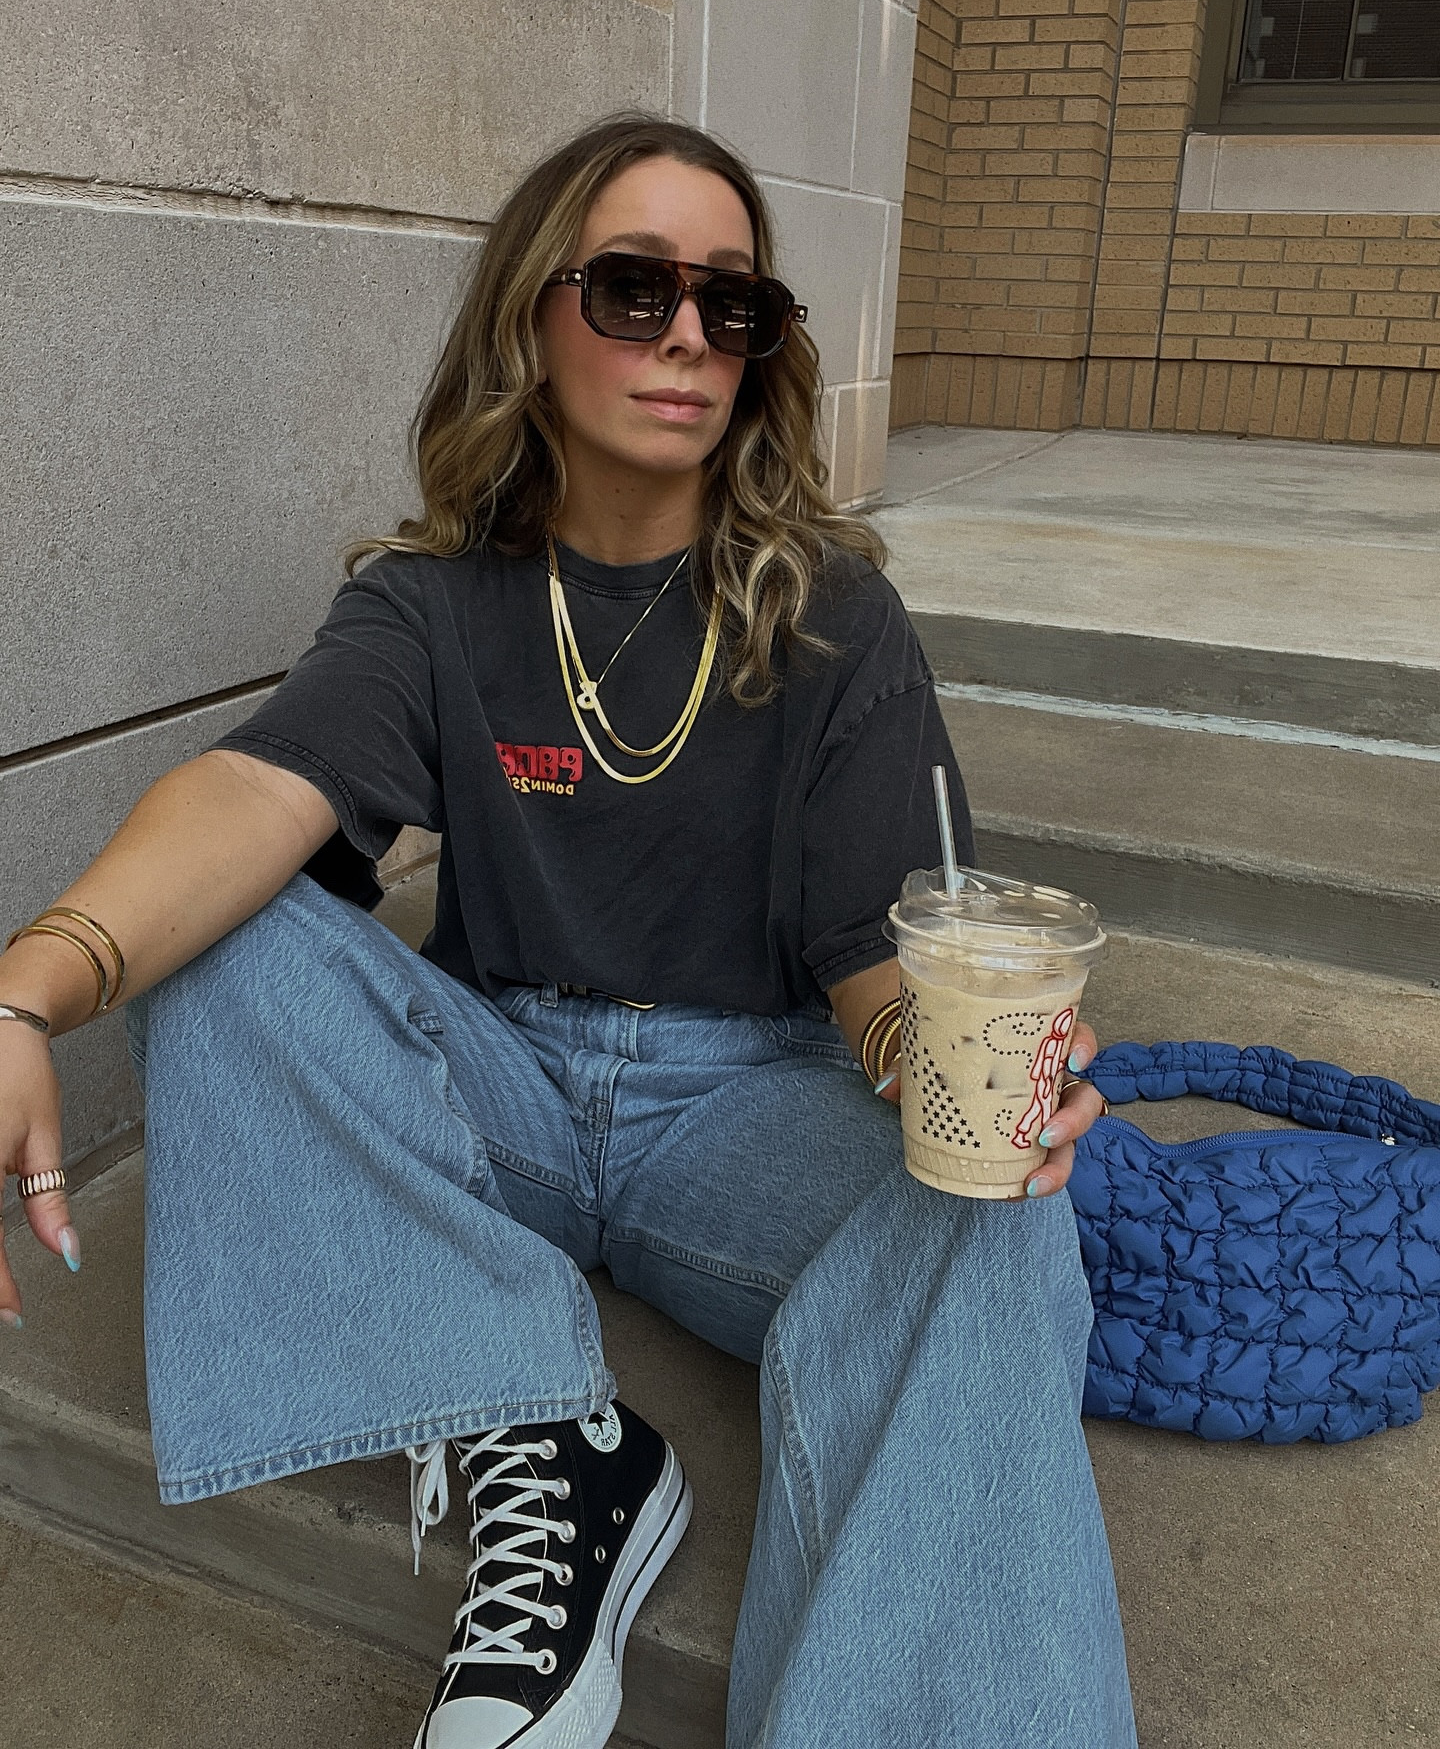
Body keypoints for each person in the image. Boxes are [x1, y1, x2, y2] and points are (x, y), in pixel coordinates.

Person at [0, 115, 1136, 1749]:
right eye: (631, 288)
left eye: (730, 303)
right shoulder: (435, 600)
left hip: (745, 1108)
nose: (687, 332)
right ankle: (557, 1438)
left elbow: (879, 948)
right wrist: (31, 994)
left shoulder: (832, 613)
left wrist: (941, 1061)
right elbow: (260, 789)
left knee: (1004, 1209)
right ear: (532, 317)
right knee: (233, 940)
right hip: (503, 1087)